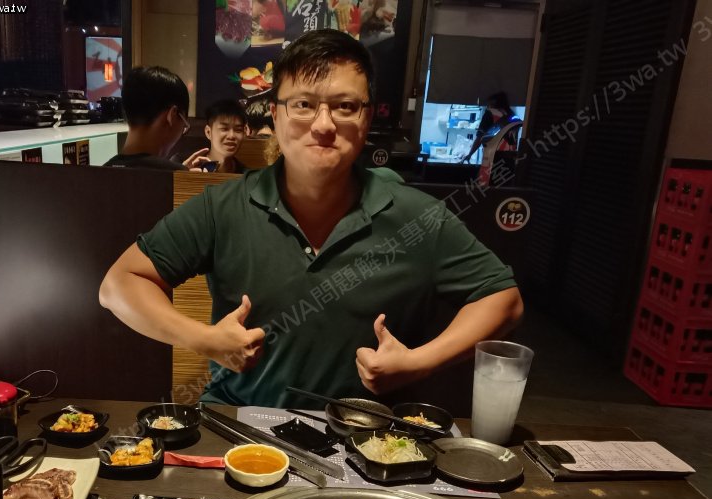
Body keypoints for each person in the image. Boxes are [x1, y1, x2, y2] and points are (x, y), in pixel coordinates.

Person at [99, 29, 523, 408]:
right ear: (276, 114)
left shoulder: (416, 215)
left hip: (362, 436)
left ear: (367, 117)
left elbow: (503, 298)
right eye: (303, 104)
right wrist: (204, 339)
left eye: (345, 106)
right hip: (239, 427)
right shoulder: (223, 207)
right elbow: (119, 284)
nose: (323, 125)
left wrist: (419, 362)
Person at [103, 66, 208, 171]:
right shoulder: (173, 175)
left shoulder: (100, 172)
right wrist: (182, 175)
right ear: (172, 116)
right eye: (184, 126)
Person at [460, 91, 523, 186]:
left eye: (489, 103)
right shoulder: (513, 116)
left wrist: (469, 154)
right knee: (503, 187)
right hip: (510, 159)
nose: (488, 105)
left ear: (493, 102)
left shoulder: (490, 114)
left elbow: (480, 137)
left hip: (493, 157)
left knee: (486, 186)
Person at [202, 99, 248, 174]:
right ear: (208, 132)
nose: (231, 136)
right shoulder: (192, 168)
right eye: (224, 129)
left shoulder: (247, 176)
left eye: (238, 130)